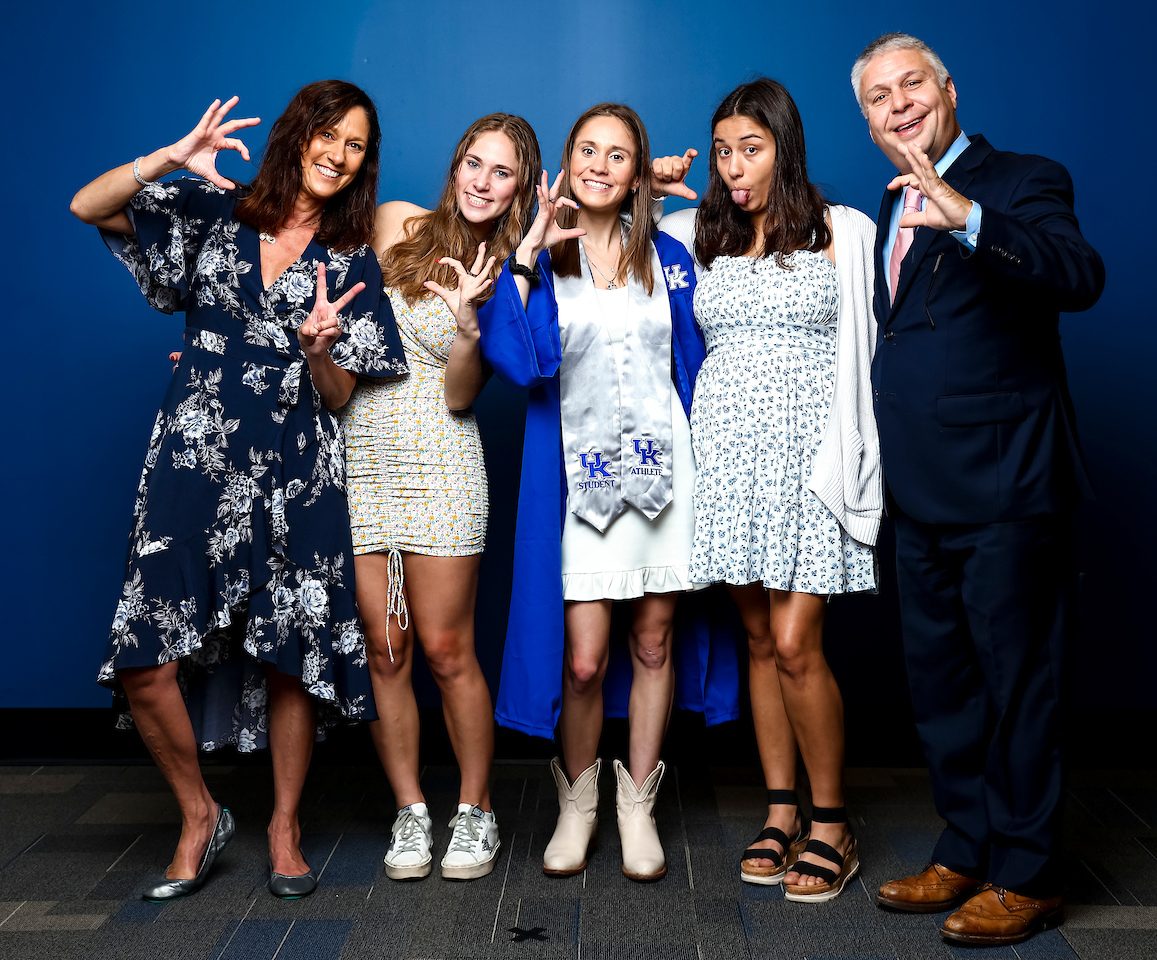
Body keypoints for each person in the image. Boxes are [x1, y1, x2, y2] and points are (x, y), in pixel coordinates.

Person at [70, 81, 406, 901]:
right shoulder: (213, 208)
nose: (338, 154)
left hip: (296, 463)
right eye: (328, 133)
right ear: (298, 133)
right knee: (145, 651)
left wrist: (319, 350)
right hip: (196, 452)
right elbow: (88, 205)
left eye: (356, 145)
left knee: (289, 654)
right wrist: (167, 159)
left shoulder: (350, 259)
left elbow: (338, 397)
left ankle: (285, 827)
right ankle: (200, 814)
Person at [851, 33, 1104, 945]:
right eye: (879, 97)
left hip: (1008, 491)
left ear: (949, 90)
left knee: (1019, 687)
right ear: (869, 122)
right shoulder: (890, 202)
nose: (899, 104)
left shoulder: (1023, 180)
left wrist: (967, 216)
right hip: (918, 495)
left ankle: (1028, 875)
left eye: (912, 84)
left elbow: (1079, 276)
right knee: (944, 688)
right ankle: (966, 848)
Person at [479, 102, 739, 882]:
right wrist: (528, 252)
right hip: (582, 480)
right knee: (587, 661)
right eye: (587, 151)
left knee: (654, 643)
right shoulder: (542, 257)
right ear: (566, 163)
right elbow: (518, 362)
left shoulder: (670, 252)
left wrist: (656, 188)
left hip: (666, 473)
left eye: (618, 155)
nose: (599, 165)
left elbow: (697, 354)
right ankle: (578, 804)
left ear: (636, 173)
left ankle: (637, 807)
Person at [653, 78, 881, 903]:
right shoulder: (697, 233)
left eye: (750, 148)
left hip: (811, 462)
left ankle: (833, 821)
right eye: (722, 151)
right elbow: (599, 232)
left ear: (785, 147)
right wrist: (650, 184)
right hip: (728, 462)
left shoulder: (842, 230)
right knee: (757, 639)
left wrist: (861, 461)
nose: (733, 166)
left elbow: (871, 349)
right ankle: (782, 810)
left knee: (793, 642)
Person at [339, 114, 540, 881]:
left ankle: (475, 811)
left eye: (502, 172)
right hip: (364, 458)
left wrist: (466, 326)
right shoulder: (397, 222)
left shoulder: (508, 275)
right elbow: (312, 285)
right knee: (384, 648)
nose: (482, 182)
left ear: (519, 188)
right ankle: (410, 810)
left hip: (442, 463)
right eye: (473, 163)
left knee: (448, 651)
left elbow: (460, 396)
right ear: (456, 165)